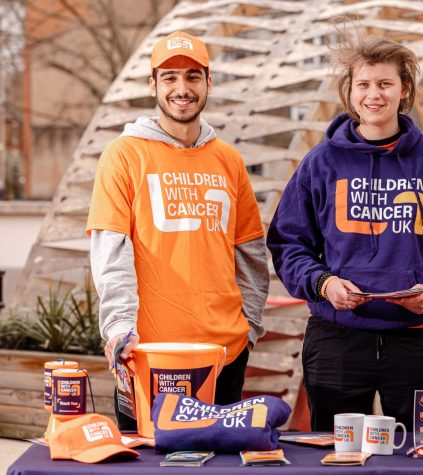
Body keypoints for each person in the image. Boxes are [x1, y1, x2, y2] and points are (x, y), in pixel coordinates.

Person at [267, 33, 423, 431]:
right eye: (363, 84)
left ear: (404, 89)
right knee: (338, 456)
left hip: (419, 340)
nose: (373, 95)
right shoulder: (320, 162)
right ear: (350, 91)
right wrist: (323, 283)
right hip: (337, 340)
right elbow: (288, 243)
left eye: (385, 83)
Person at [86, 31, 269, 426]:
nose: (181, 88)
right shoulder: (124, 155)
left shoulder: (229, 160)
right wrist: (119, 328)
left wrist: (247, 331)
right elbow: (111, 251)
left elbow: (250, 252)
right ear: (153, 84)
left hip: (224, 355)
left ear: (208, 83)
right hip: (150, 355)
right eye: (169, 78)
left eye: (192, 76)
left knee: (218, 469)